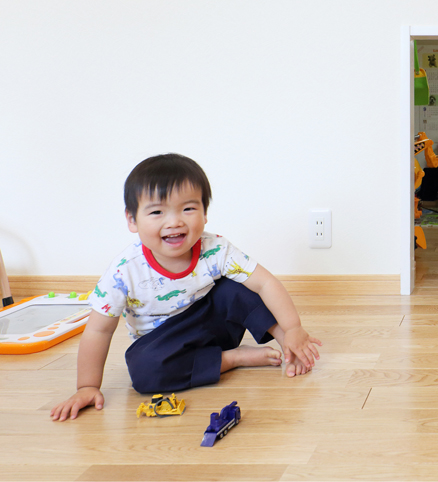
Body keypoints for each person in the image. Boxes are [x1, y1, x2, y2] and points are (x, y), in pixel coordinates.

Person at [50, 153, 322, 421]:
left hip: (214, 328)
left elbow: (266, 282)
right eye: (157, 212)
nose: (174, 222)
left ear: (205, 213)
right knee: (143, 370)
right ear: (132, 220)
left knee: (238, 287)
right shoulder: (124, 271)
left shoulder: (216, 248)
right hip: (166, 346)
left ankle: (289, 346)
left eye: (188, 209)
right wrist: (87, 386)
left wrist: (292, 329)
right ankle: (232, 359)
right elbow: (98, 330)